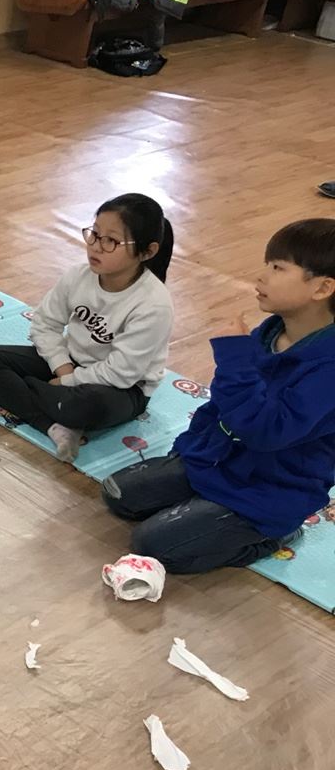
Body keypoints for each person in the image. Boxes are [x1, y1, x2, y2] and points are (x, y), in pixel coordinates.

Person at [101, 218, 335, 573]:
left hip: (272, 489)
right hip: (220, 461)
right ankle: (206, 501)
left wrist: (235, 357)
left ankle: (275, 535)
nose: (262, 277)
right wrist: (193, 449)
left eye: (277, 268)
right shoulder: (272, 331)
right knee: (118, 494)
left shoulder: (328, 370)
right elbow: (222, 404)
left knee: (153, 544)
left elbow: (265, 430)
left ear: (322, 288)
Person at [0, 194, 175, 463]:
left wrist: (66, 382)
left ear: (147, 251)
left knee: (83, 406)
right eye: (95, 234)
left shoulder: (153, 304)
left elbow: (121, 373)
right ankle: (53, 425)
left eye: (111, 241)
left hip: (123, 388)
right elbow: (45, 323)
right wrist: (63, 369)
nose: (96, 247)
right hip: (70, 366)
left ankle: (13, 390)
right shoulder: (78, 276)